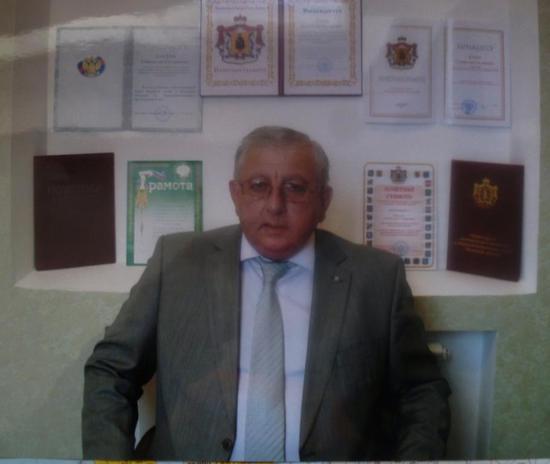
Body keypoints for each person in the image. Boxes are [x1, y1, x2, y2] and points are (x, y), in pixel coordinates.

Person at [82, 126, 451, 461]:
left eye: (295, 187)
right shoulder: (177, 262)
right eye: (259, 186)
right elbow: (111, 370)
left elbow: (422, 391)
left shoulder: (376, 278)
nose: (275, 206)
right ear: (236, 194)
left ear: (323, 201)